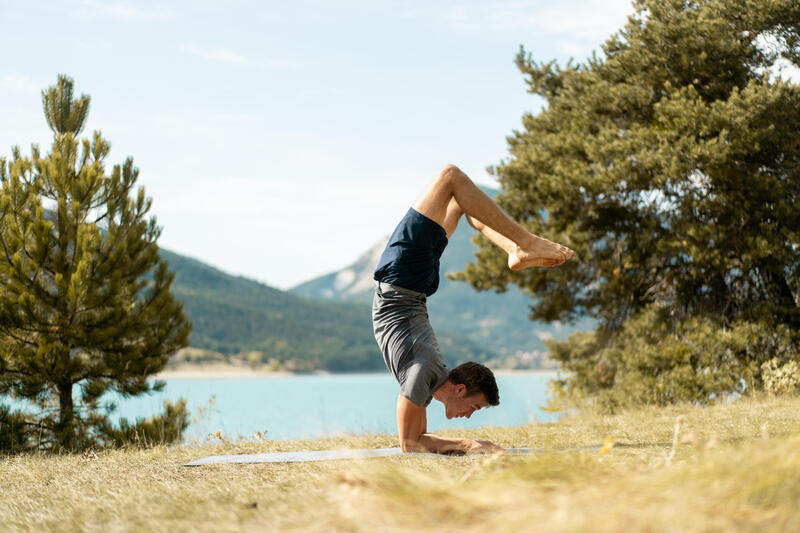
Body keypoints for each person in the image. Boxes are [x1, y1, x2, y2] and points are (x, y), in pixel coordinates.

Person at [372, 164, 574, 454]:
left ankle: (514, 250)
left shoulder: (427, 380)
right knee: (451, 177)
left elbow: (416, 442)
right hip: (404, 277)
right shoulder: (424, 373)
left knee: (458, 201)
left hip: (413, 283)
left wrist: (472, 445)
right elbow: (409, 444)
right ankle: (523, 244)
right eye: (475, 407)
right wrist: (468, 443)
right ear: (460, 389)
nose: (470, 415)